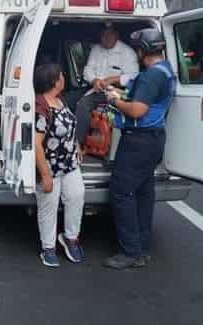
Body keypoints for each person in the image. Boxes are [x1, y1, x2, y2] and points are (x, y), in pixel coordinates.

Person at [102, 28, 176, 270]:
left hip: (138, 141)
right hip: (154, 140)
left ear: (143, 50)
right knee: (144, 194)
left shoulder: (151, 76)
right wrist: (124, 95)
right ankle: (142, 249)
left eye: (138, 50)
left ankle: (129, 252)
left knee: (121, 192)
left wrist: (114, 100)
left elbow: (137, 111)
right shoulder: (166, 71)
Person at [33, 63, 86, 268]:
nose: (64, 77)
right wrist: (45, 175)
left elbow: (69, 126)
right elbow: (37, 143)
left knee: (76, 196)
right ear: (54, 81)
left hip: (69, 163)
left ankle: (70, 238)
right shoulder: (41, 107)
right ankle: (48, 247)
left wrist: (77, 147)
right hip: (50, 166)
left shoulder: (60, 100)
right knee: (49, 206)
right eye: (61, 75)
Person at [75, 24, 140, 145]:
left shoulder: (127, 52)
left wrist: (113, 79)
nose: (106, 38)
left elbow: (134, 76)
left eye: (109, 34)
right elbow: (88, 70)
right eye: (103, 35)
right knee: (67, 98)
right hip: (95, 88)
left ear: (116, 35)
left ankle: (78, 144)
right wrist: (94, 80)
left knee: (83, 104)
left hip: (116, 91)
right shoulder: (96, 49)